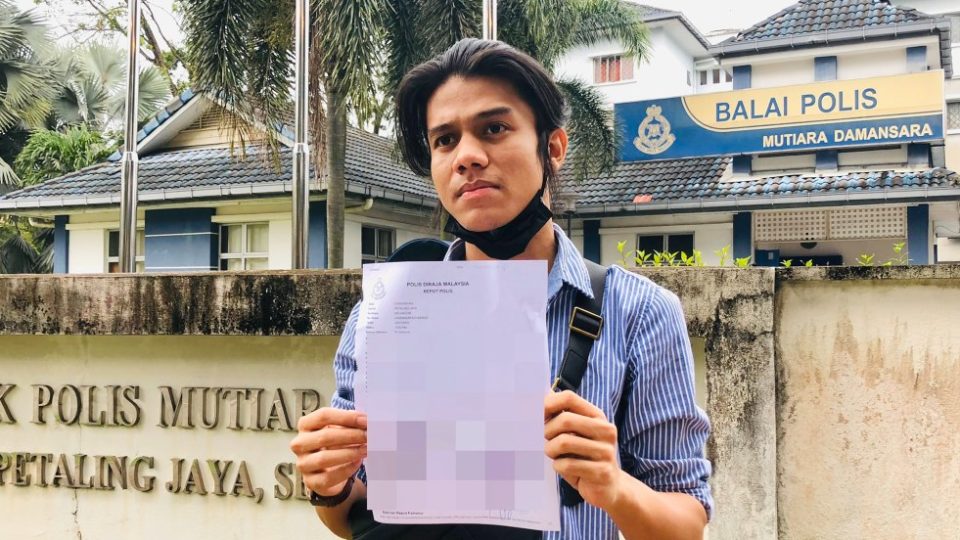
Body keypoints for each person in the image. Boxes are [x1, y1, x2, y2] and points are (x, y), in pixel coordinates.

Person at [290, 38, 712, 540]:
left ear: (552, 146)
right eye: (445, 140)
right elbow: (352, 517)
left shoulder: (640, 313)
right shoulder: (385, 314)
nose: (467, 156)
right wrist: (329, 484)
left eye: (494, 128)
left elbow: (686, 524)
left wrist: (614, 486)